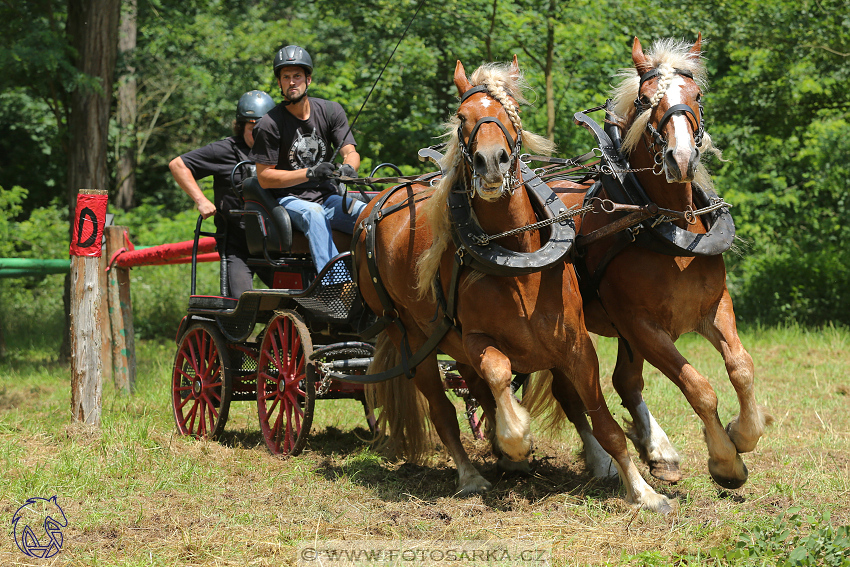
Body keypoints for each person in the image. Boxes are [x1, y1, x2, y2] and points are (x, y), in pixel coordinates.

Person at [249, 45, 366, 279]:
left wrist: (349, 167)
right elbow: (264, 177)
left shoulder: (331, 111)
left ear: (308, 79)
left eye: (297, 76)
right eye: (286, 77)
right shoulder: (269, 124)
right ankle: (335, 285)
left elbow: (351, 152)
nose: (292, 82)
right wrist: (309, 173)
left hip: (329, 197)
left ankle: (380, 280)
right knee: (313, 212)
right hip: (290, 200)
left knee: (370, 214)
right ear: (280, 83)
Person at [169, 90, 276, 297]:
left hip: (272, 245)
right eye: (252, 127)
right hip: (237, 245)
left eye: (263, 129)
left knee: (296, 300)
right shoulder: (224, 150)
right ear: (241, 125)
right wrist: (201, 200)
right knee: (240, 306)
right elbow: (178, 165)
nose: (258, 134)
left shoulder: (278, 152)